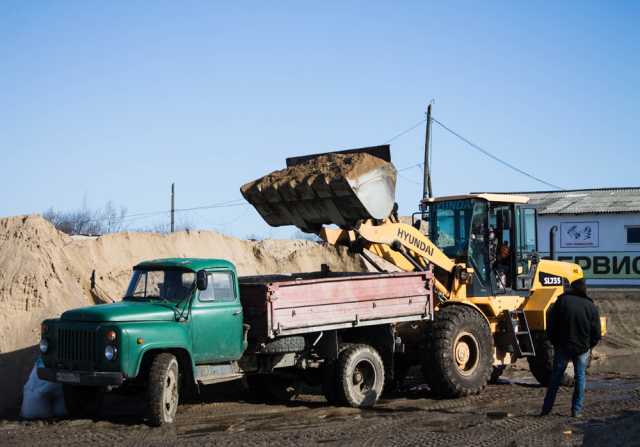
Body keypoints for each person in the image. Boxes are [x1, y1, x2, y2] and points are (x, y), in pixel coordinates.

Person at [540, 278, 601, 417]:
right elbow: (596, 332)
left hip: (562, 346)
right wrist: (588, 346)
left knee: (555, 378)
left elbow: (550, 324)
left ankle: (546, 409)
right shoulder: (590, 306)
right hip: (582, 348)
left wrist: (554, 342)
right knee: (580, 378)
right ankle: (576, 411)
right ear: (584, 289)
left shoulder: (561, 301)